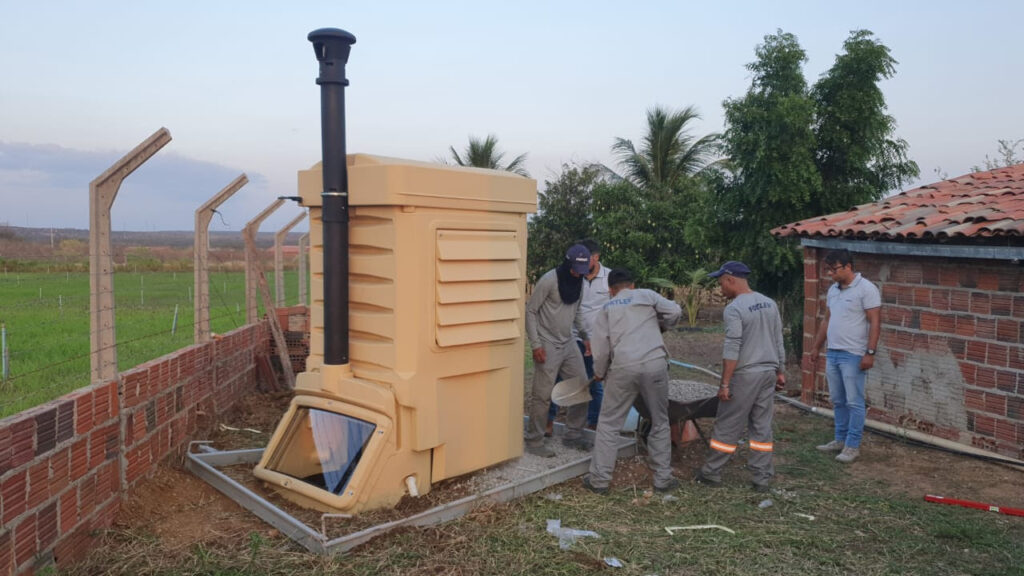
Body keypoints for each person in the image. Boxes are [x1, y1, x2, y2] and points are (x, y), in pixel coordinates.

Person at [582, 268, 682, 494]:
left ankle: (599, 481)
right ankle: (662, 480)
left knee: (608, 423)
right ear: (633, 285)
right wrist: (663, 326)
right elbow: (675, 311)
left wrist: (599, 372)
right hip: (655, 363)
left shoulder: (606, 308)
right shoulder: (647, 295)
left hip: (623, 366)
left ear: (610, 290)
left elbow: (600, 348)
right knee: (660, 420)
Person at [695, 261, 786, 493]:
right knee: (761, 426)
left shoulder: (734, 309)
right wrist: (780, 371)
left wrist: (725, 383)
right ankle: (762, 477)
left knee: (728, 422)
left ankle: (711, 471)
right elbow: (778, 339)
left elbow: (732, 348)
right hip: (768, 372)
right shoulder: (769, 303)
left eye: (720, 283)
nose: (720, 288)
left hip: (746, 375)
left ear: (730, 279)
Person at [808, 249, 881, 464]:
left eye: (834, 269)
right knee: (837, 399)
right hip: (833, 352)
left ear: (848, 267)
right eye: (828, 270)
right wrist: (816, 347)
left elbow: (875, 322)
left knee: (854, 401)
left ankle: (852, 445)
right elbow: (826, 320)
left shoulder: (866, 289)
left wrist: (870, 352)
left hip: (854, 354)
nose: (830, 273)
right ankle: (839, 439)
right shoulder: (833, 290)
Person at [524, 243, 594, 457]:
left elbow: (578, 311)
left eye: (582, 272)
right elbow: (530, 311)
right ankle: (534, 441)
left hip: (569, 342)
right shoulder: (549, 280)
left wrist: (585, 336)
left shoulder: (579, 282)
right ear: (567, 263)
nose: (577, 274)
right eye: (575, 269)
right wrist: (536, 344)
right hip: (547, 344)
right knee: (542, 395)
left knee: (581, 387)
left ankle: (573, 434)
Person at [546, 238, 609, 433]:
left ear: (596, 257)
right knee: (555, 379)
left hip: (595, 341)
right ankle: (548, 421)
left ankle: (592, 424)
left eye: (585, 259)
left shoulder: (610, 278)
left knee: (593, 383)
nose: (579, 265)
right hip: (568, 337)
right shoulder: (573, 275)